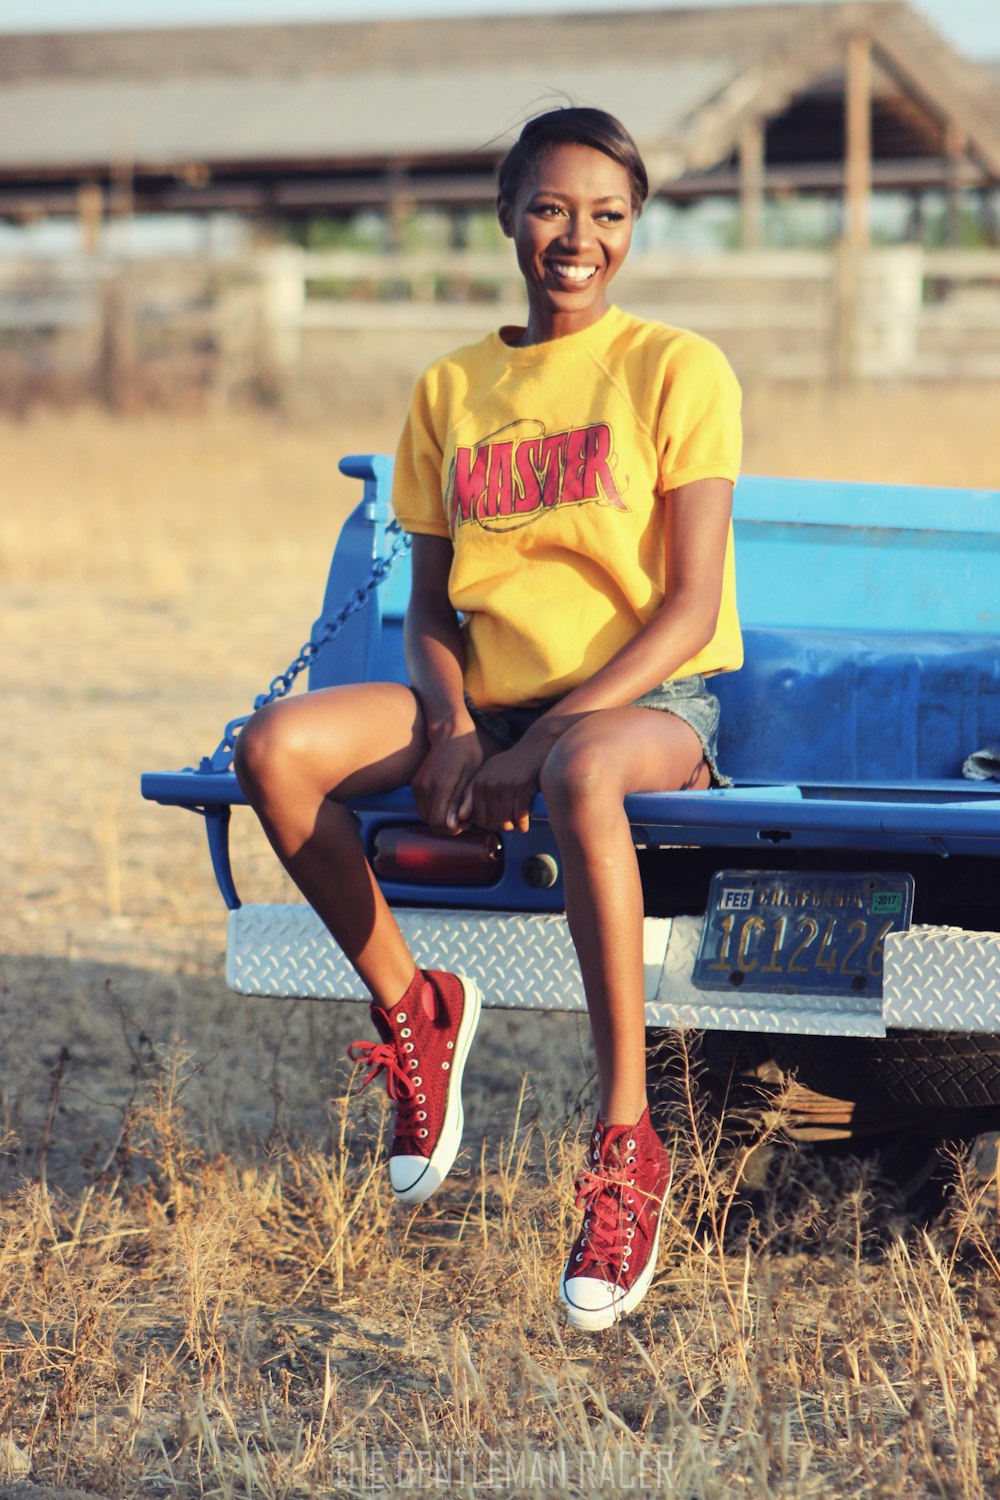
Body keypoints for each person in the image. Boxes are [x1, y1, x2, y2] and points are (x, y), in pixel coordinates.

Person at [234, 106, 742, 1332]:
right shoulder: (452, 386)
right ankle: (416, 1009)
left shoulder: (677, 368)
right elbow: (427, 608)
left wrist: (537, 740)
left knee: (579, 780)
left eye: (608, 215)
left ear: (634, 229)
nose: (579, 238)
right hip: (489, 706)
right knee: (276, 750)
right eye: (554, 209)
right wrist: (460, 727)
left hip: (643, 706)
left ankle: (626, 1145)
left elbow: (684, 609)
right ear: (509, 212)